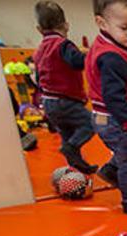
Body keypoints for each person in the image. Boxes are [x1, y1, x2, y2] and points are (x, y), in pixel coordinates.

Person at [84, 0, 127, 213]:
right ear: (102, 23)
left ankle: (110, 171)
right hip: (112, 118)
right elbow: (114, 97)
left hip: (105, 116)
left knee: (125, 150)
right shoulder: (111, 57)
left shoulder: (110, 46)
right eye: (124, 28)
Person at [32, 1, 95, 174]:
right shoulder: (63, 45)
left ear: (39, 29)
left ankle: (75, 168)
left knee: (67, 133)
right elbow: (77, 63)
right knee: (91, 124)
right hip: (65, 101)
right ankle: (72, 149)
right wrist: (89, 55)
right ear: (66, 25)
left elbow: (38, 78)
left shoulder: (39, 51)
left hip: (49, 102)